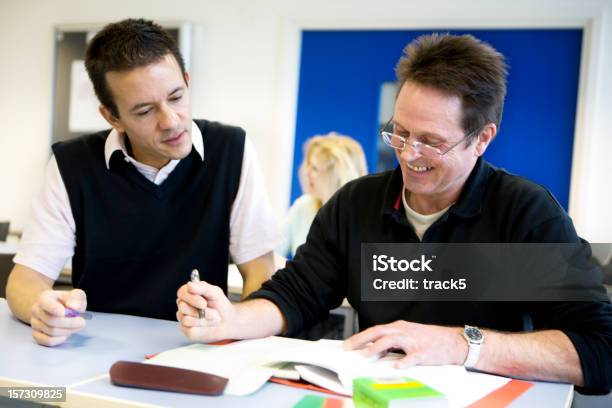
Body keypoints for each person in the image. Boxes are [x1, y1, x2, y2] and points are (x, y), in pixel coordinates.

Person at [176, 34, 612, 394]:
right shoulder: (356, 204)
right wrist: (231, 319)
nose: (409, 154)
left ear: (482, 139)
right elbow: (297, 295)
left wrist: (461, 344)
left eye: (432, 141)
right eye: (399, 133)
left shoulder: (525, 213)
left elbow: (599, 349)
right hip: (377, 396)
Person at [6, 19, 280, 347]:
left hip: (196, 348)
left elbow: (260, 270)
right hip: (94, 348)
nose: (171, 121)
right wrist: (42, 309)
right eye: (145, 111)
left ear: (187, 82)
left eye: (177, 97)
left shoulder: (231, 150)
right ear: (112, 117)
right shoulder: (72, 164)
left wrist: (240, 334)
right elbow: (25, 280)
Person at [277, 133, 367, 258]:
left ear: (337, 176)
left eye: (314, 168)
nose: (307, 172)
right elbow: (273, 252)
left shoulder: (363, 220)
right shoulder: (304, 206)